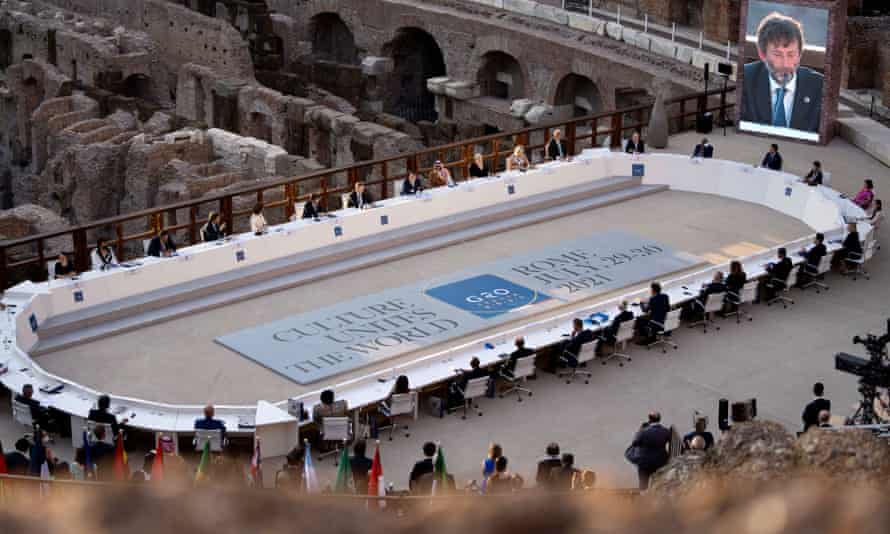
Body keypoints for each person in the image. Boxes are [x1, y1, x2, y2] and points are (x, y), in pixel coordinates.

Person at [740, 12, 823, 133]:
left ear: (800, 55)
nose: (785, 64)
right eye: (777, 54)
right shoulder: (745, 78)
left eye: (791, 54)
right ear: (762, 54)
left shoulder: (820, 87)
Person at [630, 412, 672, 490]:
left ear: (649, 419)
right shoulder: (666, 431)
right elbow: (671, 442)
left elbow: (634, 442)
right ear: (659, 419)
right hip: (660, 462)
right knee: (659, 483)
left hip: (645, 462)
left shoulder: (643, 431)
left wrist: (640, 429)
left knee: (643, 484)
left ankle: (644, 499)